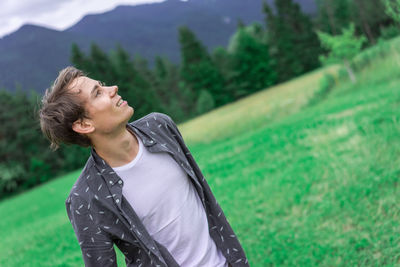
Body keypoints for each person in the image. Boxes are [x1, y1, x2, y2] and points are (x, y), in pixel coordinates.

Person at [39, 66, 249, 267]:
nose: (113, 89)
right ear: (84, 125)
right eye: (98, 93)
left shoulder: (159, 126)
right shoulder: (85, 198)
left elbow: (205, 198)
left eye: (102, 84)